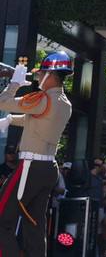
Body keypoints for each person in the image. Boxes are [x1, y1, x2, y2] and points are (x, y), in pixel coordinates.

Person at [0, 52, 73, 256]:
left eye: (41, 73)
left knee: (2, 220)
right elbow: (35, 119)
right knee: (34, 226)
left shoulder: (42, 99)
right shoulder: (64, 103)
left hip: (30, 168)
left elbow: (3, 102)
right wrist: (10, 120)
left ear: (51, 74)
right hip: (48, 169)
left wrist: (14, 84)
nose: (38, 76)